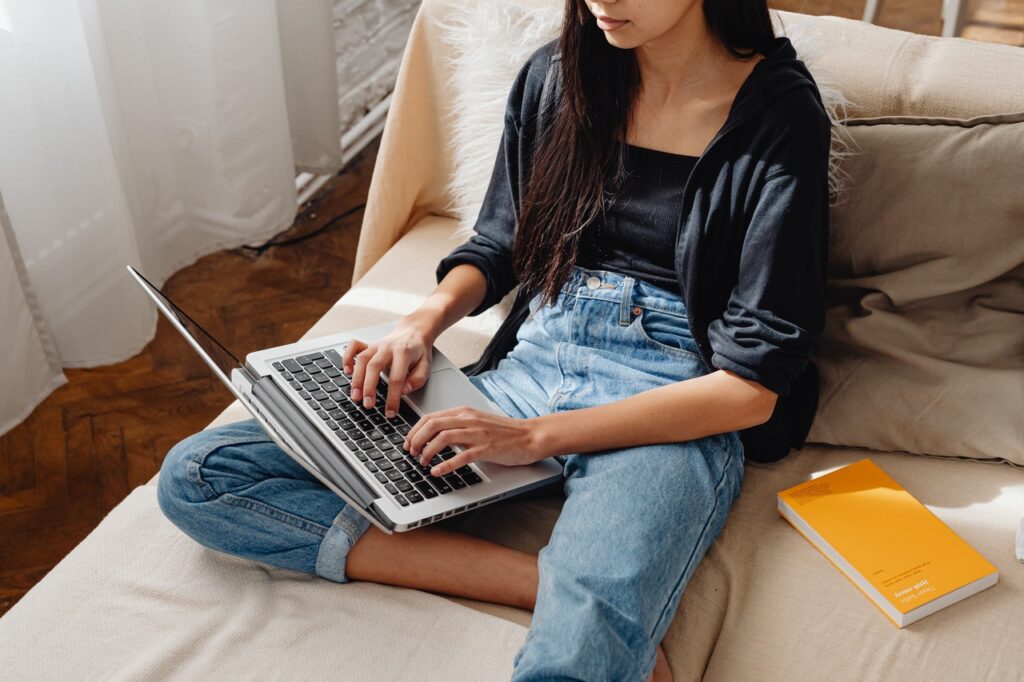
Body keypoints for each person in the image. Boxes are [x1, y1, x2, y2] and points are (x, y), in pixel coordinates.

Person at [156, 0, 832, 679]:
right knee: (199, 476)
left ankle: (589, 602)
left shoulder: (779, 115)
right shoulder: (559, 77)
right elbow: (501, 242)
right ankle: (553, 586)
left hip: (672, 399)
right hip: (531, 363)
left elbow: (752, 388)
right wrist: (419, 326)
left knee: (569, 666)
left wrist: (533, 440)